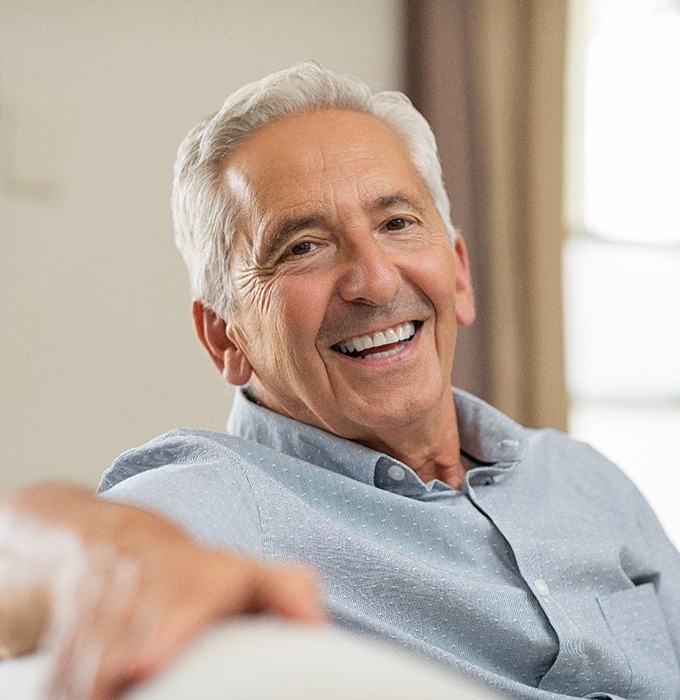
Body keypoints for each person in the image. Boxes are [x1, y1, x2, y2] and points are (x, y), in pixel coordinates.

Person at [1, 62, 679, 700]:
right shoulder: (227, 496)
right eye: (302, 247)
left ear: (460, 274)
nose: (375, 280)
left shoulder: (585, 479)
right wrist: (112, 558)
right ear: (225, 337)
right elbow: (20, 553)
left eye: (397, 223)